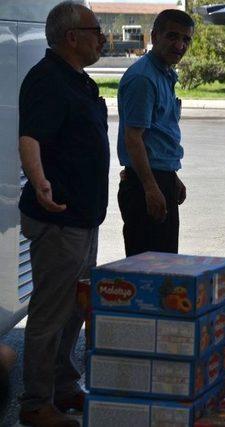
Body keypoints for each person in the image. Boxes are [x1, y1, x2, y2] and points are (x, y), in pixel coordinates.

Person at [17, 2, 109, 425]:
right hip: (58, 220)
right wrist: (39, 182)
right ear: (71, 37)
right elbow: (31, 138)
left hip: (83, 218)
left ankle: (64, 387)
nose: (102, 37)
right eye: (96, 30)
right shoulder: (48, 80)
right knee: (50, 314)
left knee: (75, 308)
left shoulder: (77, 80)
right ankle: (36, 404)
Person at [117, 9, 194, 256]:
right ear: (155, 35)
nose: (180, 45)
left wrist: (171, 177)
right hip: (144, 186)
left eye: (186, 39)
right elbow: (133, 138)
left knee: (165, 265)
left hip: (161, 179)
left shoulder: (165, 74)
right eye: (172, 36)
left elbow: (158, 136)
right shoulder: (143, 78)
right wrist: (151, 188)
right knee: (148, 272)